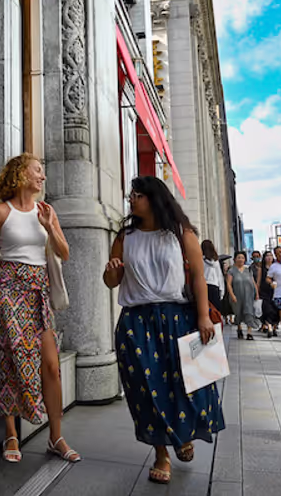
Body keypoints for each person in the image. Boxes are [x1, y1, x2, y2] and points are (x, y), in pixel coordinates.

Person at [104, 176, 224, 485]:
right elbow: (112, 282)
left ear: (153, 198)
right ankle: (161, 454)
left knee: (185, 384)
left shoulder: (182, 234)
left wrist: (203, 317)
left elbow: (198, 277)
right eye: (132, 194)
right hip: (136, 321)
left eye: (138, 194)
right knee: (145, 387)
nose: (131, 199)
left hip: (177, 317)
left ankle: (182, 434)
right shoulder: (125, 236)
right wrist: (112, 271)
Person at [0, 154, 79, 464]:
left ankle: (55, 436)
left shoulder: (47, 211)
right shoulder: (0, 212)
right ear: (21, 174)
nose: (42, 177)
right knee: (9, 359)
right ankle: (11, 433)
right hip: (7, 289)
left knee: (52, 366)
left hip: (38, 291)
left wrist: (49, 226)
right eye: (38, 171)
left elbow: (65, 253)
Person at [228, 251, 259, 340]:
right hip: (237, 296)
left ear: (245, 259)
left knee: (249, 312)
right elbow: (229, 284)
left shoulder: (248, 270)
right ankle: (239, 328)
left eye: (242, 258)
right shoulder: (232, 270)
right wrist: (232, 295)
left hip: (249, 295)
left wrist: (257, 293)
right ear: (235, 259)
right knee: (238, 313)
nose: (241, 259)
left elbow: (253, 282)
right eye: (239, 257)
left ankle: (249, 332)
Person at [256, 249, 280, 337]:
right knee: (267, 309)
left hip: (276, 291)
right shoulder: (261, 269)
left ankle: (274, 327)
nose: (269, 257)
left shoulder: (277, 267)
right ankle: (269, 326)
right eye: (267, 256)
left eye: (270, 255)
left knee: (276, 309)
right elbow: (258, 282)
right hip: (264, 291)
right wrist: (257, 293)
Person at [201, 240, 226, 315]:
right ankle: (216, 326)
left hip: (204, 286)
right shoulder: (216, 261)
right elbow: (219, 276)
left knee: (205, 310)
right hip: (215, 286)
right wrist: (222, 291)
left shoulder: (200, 260)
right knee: (216, 311)